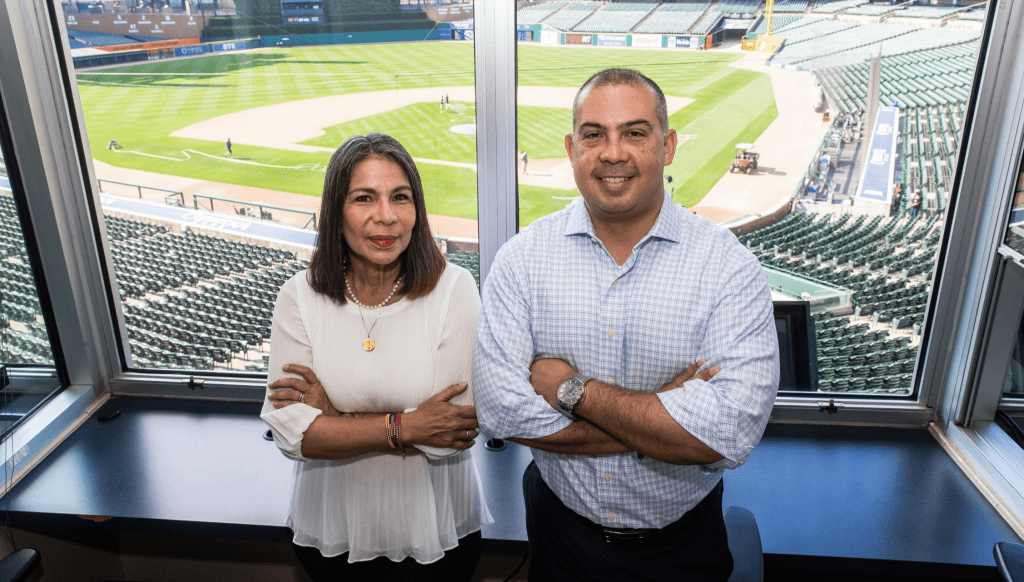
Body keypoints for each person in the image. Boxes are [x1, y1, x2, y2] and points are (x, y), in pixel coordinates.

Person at [474, 68, 779, 581]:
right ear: (573, 148)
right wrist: (662, 415)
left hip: (682, 544)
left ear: (668, 145)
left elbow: (728, 433)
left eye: (635, 133)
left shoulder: (729, 267)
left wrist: (571, 390)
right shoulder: (521, 259)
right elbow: (502, 413)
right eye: (594, 135)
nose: (612, 153)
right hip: (558, 532)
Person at [262, 133, 492, 582]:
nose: (385, 217)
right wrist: (405, 425)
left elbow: (450, 434)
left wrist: (337, 418)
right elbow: (294, 436)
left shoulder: (456, 288)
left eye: (400, 198)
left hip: (439, 533)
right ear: (336, 212)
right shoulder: (298, 296)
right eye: (363, 198)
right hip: (332, 533)